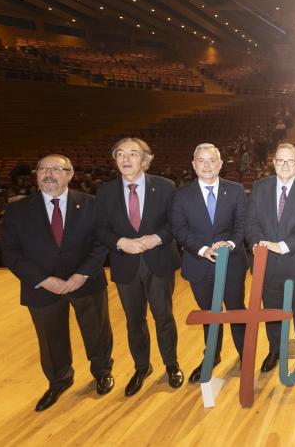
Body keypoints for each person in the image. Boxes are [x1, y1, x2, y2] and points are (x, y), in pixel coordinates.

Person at [2, 155, 114, 412]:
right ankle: (59, 380)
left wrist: (82, 274)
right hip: (41, 286)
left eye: (56, 169)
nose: (49, 174)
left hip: (85, 282)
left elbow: (101, 244)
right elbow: (10, 252)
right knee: (50, 338)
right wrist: (43, 280)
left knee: (97, 331)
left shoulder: (91, 204)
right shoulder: (18, 209)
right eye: (43, 169)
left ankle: (101, 371)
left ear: (70, 174)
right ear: (36, 174)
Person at [95, 137, 184, 396]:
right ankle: (141, 367)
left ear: (144, 159)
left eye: (132, 154)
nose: (126, 159)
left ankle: (171, 364)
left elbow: (175, 223)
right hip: (125, 265)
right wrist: (120, 242)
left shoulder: (166, 187)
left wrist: (156, 238)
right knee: (134, 321)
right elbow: (100, 229)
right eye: (120, 154)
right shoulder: (105, 192)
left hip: (159, 262)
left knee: (163, 317)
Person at [169, 143, 249, 382]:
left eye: (211, 160)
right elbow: (178, 229)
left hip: (232, 263)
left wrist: (231, 244)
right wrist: (202, 250)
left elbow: (242, 225)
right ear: (193, 165)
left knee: (236, 311)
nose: (206, 165)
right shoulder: (181, 194)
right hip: (198, 264)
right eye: (201, 161)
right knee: (209, 315)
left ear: (221, 164)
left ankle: (246, 354)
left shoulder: (235, 190)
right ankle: (212, 355)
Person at [245, 142, 295, 373]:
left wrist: (283, 245)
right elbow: (250, 222)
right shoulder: (260, 186)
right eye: (280, 160)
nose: (285, 165)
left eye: (290, 161)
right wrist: (259, 244)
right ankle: (276, 350)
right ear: (274, 163)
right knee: (271, 311)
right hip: (267, 263)